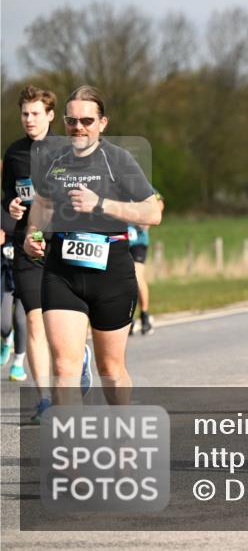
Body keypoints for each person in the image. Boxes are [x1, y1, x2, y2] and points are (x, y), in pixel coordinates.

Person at [22, 85, 162, 407]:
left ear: (102, 123)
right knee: (63, 367)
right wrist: (33, 234)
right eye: (72, 121)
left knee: (110, 370)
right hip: (62, 271)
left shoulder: (119, 160)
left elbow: (151, 212)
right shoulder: (53, 158)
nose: (78, 128)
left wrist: (101, 204)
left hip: (111, 270)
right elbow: (42, 204)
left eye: (87, 121)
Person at [3, 85, 85, 420]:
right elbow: (6, 199)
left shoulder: (69, 151)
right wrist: (9, 208)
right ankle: (44, 400)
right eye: (24, 113)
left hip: (64, 243)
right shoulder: (14, 153)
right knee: (34, 320)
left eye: (36, 113)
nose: (29, 119)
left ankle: (79, 359)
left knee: (61, 325)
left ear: (50, 115)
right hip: (28, 246)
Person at [127, 188, 164, 336]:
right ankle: (127, 318)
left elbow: (159, 202)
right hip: (120, 240)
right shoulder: (110, 181)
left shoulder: (137, 181)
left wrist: (149, 218)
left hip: (138, 241)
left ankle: (144, 314)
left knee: (136, 276)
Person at [2, 216, 28, 381]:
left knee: (20, 319)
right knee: (3, 323)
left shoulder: (37, 204)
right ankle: (6, 339)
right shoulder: (4, 206)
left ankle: (18, 363)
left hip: (28, 269)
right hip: (5, 271)